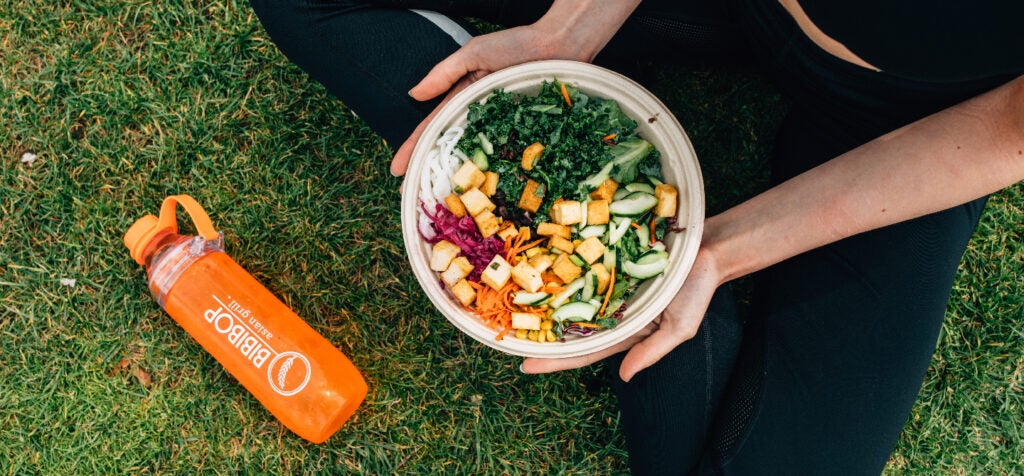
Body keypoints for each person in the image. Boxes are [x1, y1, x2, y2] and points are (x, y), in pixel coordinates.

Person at [246, 0, 1024, 473]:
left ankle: (649, 281)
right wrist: (571, 29)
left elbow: (1009, 131)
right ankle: (551, 145)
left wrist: (710, 253)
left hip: (917, 124)